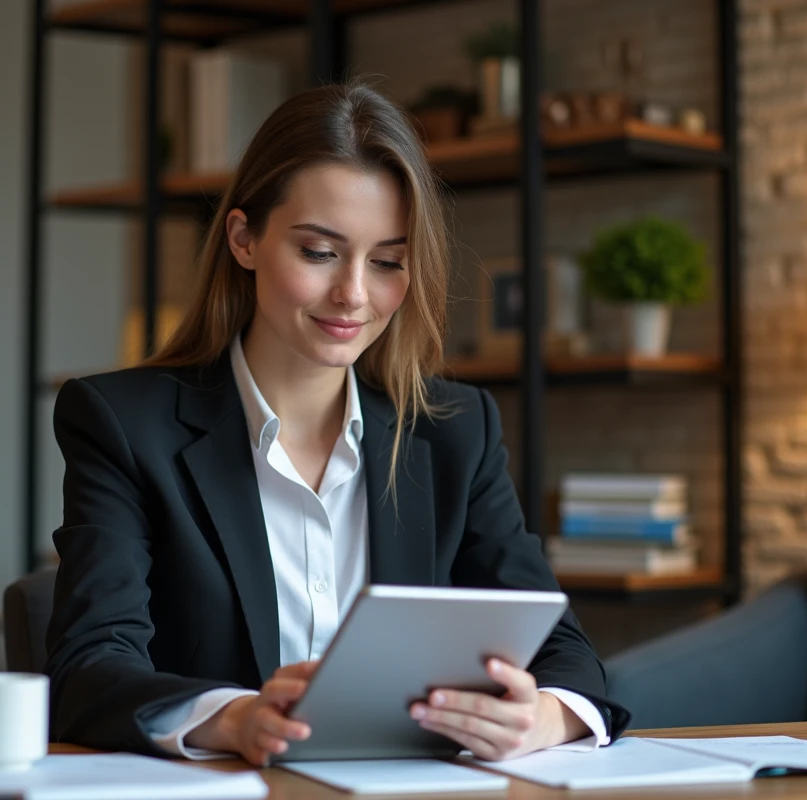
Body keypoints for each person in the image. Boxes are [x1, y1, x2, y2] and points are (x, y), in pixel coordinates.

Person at [44, 80, 630, 766]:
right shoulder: (122, 424)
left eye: (388, 262)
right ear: (244, 239)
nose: (354, 293)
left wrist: (543, 718)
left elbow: (566, 654)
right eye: (319, 253)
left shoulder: (454, 432)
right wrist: (233, 717)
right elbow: (88, 666)